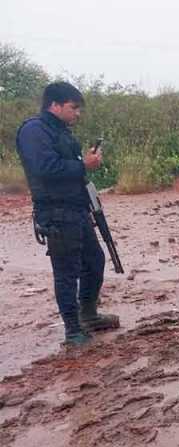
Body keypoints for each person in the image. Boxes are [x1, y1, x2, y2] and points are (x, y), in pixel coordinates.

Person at [16, 82, 119, 347]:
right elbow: (45, 168)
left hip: (76, 208)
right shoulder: (34, 131)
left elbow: (70, 169)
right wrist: (83, 163)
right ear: (56, 105)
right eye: (74, 108)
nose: (77, 114)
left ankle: (88, 314)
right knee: (66, 272)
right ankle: (73, 331)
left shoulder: (60, 131)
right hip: (56, 212)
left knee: (94, 261)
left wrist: (84, 165)